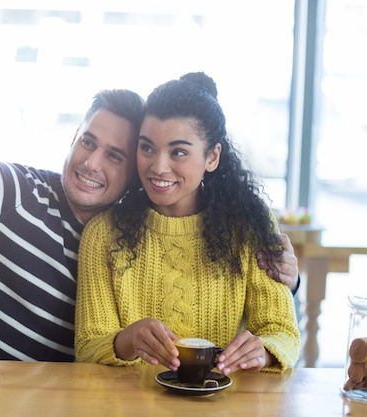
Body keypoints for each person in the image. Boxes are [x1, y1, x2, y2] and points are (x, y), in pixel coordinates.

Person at [0, 61, 300, 361]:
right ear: (73, 135)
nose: (92, 163)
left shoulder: (132, 232)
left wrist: (287, 282)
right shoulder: (14, 192)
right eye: (88, 141)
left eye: (116, 155)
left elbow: (240, 307)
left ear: (134, 171)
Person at [74, 72, 300, 374]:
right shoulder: (103, 234)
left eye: (178, 151)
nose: (158, 166)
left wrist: (265, 351)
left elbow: (282, 331)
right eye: (146, 147)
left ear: (212, 156)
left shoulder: (248, 226)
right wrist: (126, 341)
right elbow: (88, 347)